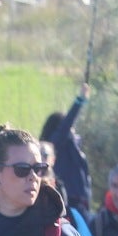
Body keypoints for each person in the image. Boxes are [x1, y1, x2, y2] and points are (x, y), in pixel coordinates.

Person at [39, 82, 92, 211]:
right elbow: (66, 125)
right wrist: (79, 101)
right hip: (71, 201)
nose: (72, 130)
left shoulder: (72, 147)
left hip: (82, 202)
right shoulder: (56, 143)